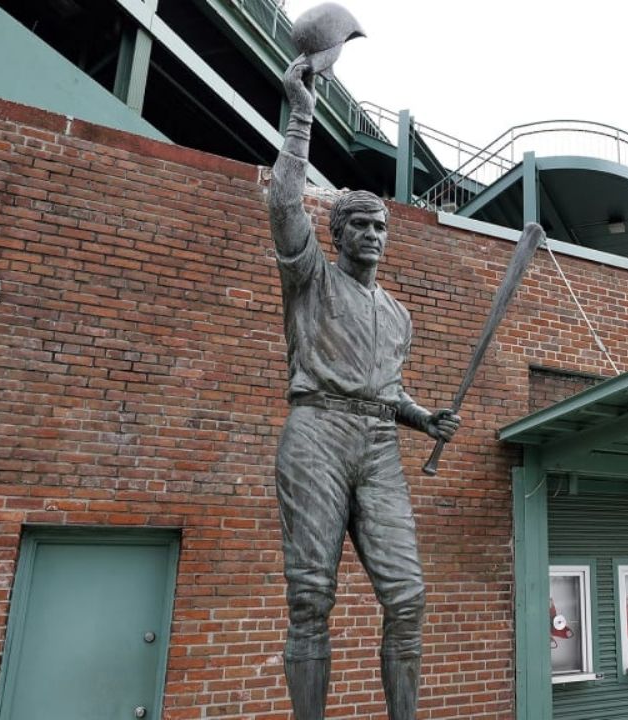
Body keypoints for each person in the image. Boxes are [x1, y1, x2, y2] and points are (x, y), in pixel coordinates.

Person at [268, 54, 459, 720]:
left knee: (407, 597)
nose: (374, 234)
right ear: (338, 232)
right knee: (311, 596)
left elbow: (387, 387)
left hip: (377, 443)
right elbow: (284, 199)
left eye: (381, 226)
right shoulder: (311, 277)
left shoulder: (398, 314)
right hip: (316, 432)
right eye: (361, 224)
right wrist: (301, 115)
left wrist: (422, 418)